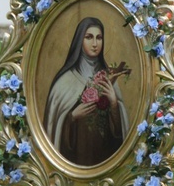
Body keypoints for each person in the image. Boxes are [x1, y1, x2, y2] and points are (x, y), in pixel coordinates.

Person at [45, 17, 130, 166]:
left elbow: (119, 134)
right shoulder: (65, 81)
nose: (95, 44)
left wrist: (114, 103)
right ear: (80, 40)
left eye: (99, 38)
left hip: (104, 158)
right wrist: (71, 117)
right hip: (75, 157)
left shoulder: (108, 78)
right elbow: (52, 130)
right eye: (89, 37)